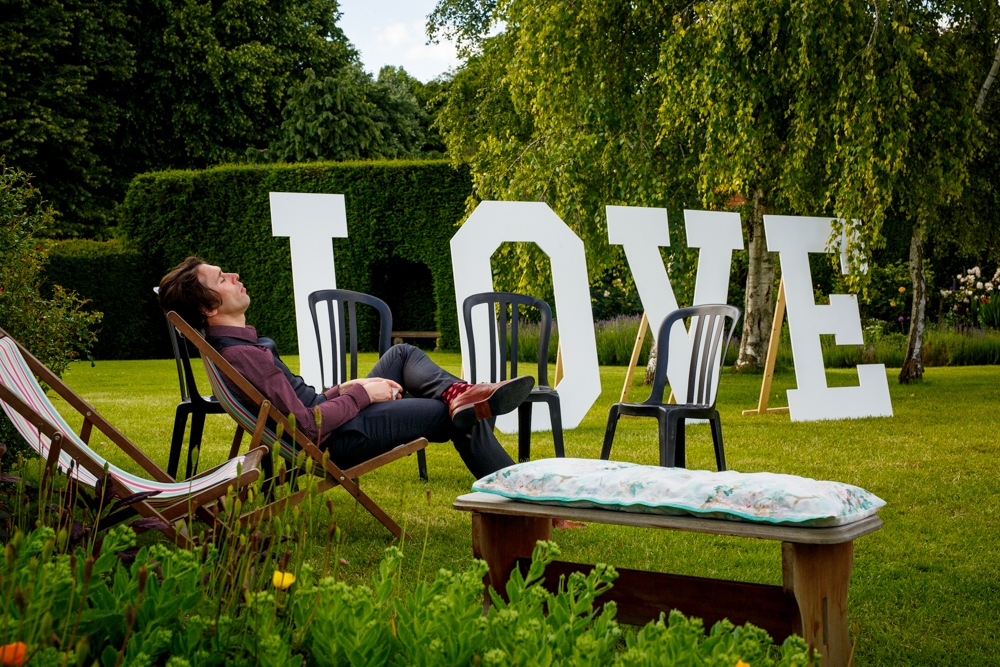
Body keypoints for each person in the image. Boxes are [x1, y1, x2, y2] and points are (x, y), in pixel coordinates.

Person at [157, 257, 532, 479]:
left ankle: (460, 393)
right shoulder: (243, 357)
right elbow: (306, 425)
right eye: (222, 279)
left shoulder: (235, 348)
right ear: (208, 308)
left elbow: (302, 403)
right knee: (449, 415)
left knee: (401, 357)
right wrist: (361, 392)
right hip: (335, 441)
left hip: (333, 418)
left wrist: (341, 390)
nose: (235, 277)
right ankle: (515, 492)